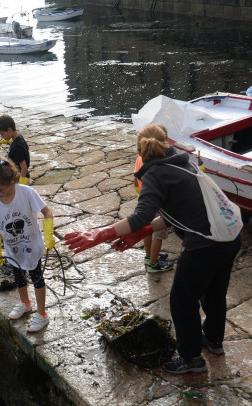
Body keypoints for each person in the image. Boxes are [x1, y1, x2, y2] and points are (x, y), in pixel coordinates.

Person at [64, 124, 242, 374]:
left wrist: (99, 233)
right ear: (167, 143)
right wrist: (144, 232)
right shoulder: (182, 163)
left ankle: (192, 359)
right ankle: (213, 340)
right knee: (213, 293)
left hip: (205, 244)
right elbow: (173, 214)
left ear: (139, 150)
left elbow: (139, 216)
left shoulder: (155, 175)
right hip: (230, 236)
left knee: (182, 299)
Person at [0, 158, 55, 333]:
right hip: (12, 247)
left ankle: (42, 314)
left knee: (37, 278)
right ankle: (25, 303)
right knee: (18, 276)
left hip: (32, 243)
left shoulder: (26, 193)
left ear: (10, 183)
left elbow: (47, 212)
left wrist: (49, 235)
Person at [133, 126, 173, 273]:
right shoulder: (161, 166)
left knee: (147, 230)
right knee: (158, 234)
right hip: (158, 205)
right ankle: (154, 264)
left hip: (143, 200)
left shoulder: (139, 158)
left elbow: (135, 181)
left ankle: (149, 256)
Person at [0, 115, 30, 184]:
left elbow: (24, 168)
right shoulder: (19, 137)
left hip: (21, 178)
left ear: (9, 130)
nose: (1, 136)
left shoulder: (17, 146)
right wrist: (5, 141)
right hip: (21, 176)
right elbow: (27, 147)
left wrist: (21, 184)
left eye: (2, 134)